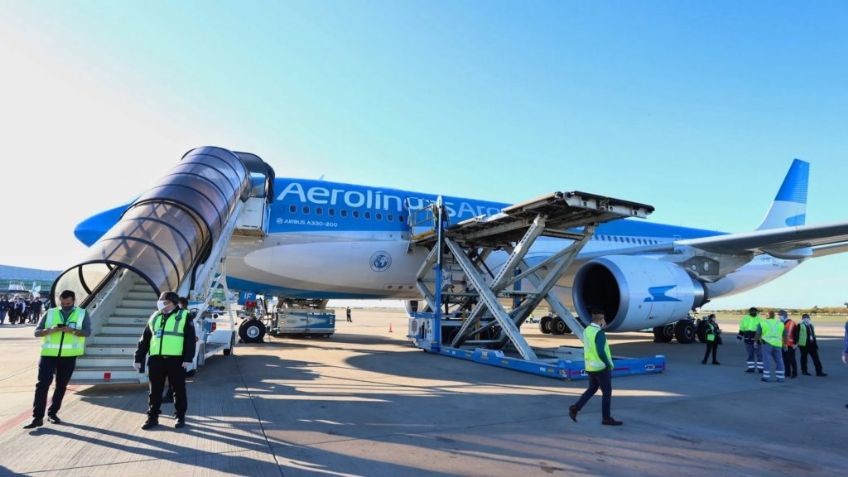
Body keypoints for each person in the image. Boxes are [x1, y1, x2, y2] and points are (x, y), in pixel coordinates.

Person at [23, 290, 91, 429]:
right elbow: (37, 332)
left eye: (68, 303)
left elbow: (87, 332)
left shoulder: (82, 313)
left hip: (69, 356)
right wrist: (50, 330)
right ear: (60, 300)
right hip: (48, 355)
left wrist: (72, 331)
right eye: (63, 303)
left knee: (61, 385)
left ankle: (52, 413)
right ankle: (37, 417)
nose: (65, 305)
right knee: (42, 384)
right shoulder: (50, 312)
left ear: (73, 301)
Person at [134, 291, 196, 430]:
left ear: (172, 303)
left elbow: (190, 339)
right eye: (160, 300)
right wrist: (138, 357)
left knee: (178, 390)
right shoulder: (155, 316)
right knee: (155, 391)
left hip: (176, 360)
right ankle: (152, 417)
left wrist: (188, 358)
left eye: (164, 301)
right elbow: (145, 339)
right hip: (156, 360)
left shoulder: (184, 316)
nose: (160, 303)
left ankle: (180, 417)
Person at [569, 309, 622, 426]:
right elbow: (601, 351)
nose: (605, 322)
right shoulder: (599, 333)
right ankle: (606, 418)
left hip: (590, 367)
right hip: (601, 367)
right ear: (601, 320)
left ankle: (575, 408)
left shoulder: (587, 330)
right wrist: (608, 364)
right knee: (607, 392)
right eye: (604, 319)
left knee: (592, 389)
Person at [756, 309, 786, 383]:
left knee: (767, 360)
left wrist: (756, 342)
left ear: (767, 316)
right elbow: (785, 335)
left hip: (766, 344)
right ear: (774, 316)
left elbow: (758, 334)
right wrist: (785, 344)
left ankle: (766, 377)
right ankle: (781, 378)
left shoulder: (762, 323)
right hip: (778, 344)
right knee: (779, 361)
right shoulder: (781, 323)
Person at [737, 307, 764, 373]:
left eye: (754, 311)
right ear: (749, 312)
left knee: (759, 355)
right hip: (748, 339)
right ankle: (751, 368)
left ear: (757, 312)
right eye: (752, 311)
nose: (753, 312)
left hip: (757, 340)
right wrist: (739, 338)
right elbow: (742, 329)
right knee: (750, 355)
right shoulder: (745, 318)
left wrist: (763, 339)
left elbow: (763, 330)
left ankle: (760, 369)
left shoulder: (760, 319)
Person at [780, 310, 799, 378]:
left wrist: (796, 344)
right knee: (785, 360)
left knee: (792, 360)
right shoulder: (781, 323)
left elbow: (796, 334)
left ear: (784, 316)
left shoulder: (792, 323)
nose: (779, 317)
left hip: (791, 345)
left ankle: (794, 373)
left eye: (780, 315)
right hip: (783, 344)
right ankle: (787, 372)